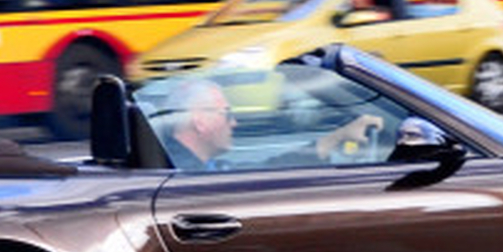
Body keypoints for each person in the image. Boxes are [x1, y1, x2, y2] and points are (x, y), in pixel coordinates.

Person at [152, 77, 386, 172]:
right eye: (227, 113)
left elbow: (262, 169)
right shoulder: (187, 175)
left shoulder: (196, 167)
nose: (234, 123)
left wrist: (335, 139)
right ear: (200, 121)